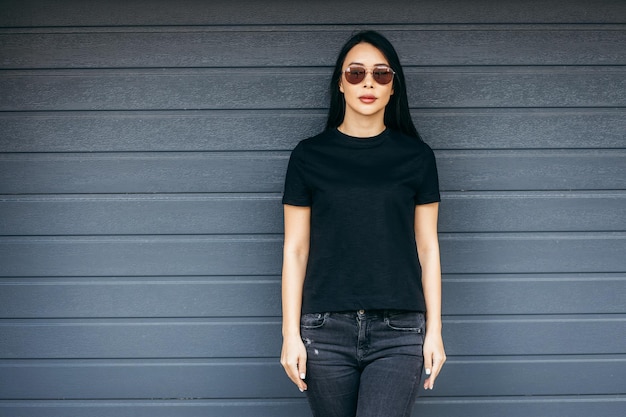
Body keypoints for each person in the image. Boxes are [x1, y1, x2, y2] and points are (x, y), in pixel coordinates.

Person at [280, 30, 446, 417]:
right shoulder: (308, 156)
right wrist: (290, 334)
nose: (368, 82)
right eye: (355, 73)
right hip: (324, 330)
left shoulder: (417, 157)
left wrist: (435, 330)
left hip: (400, 331)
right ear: (340, 83)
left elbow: (428, 248)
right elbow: (295, 249)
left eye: (381, 74)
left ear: (393, 87)